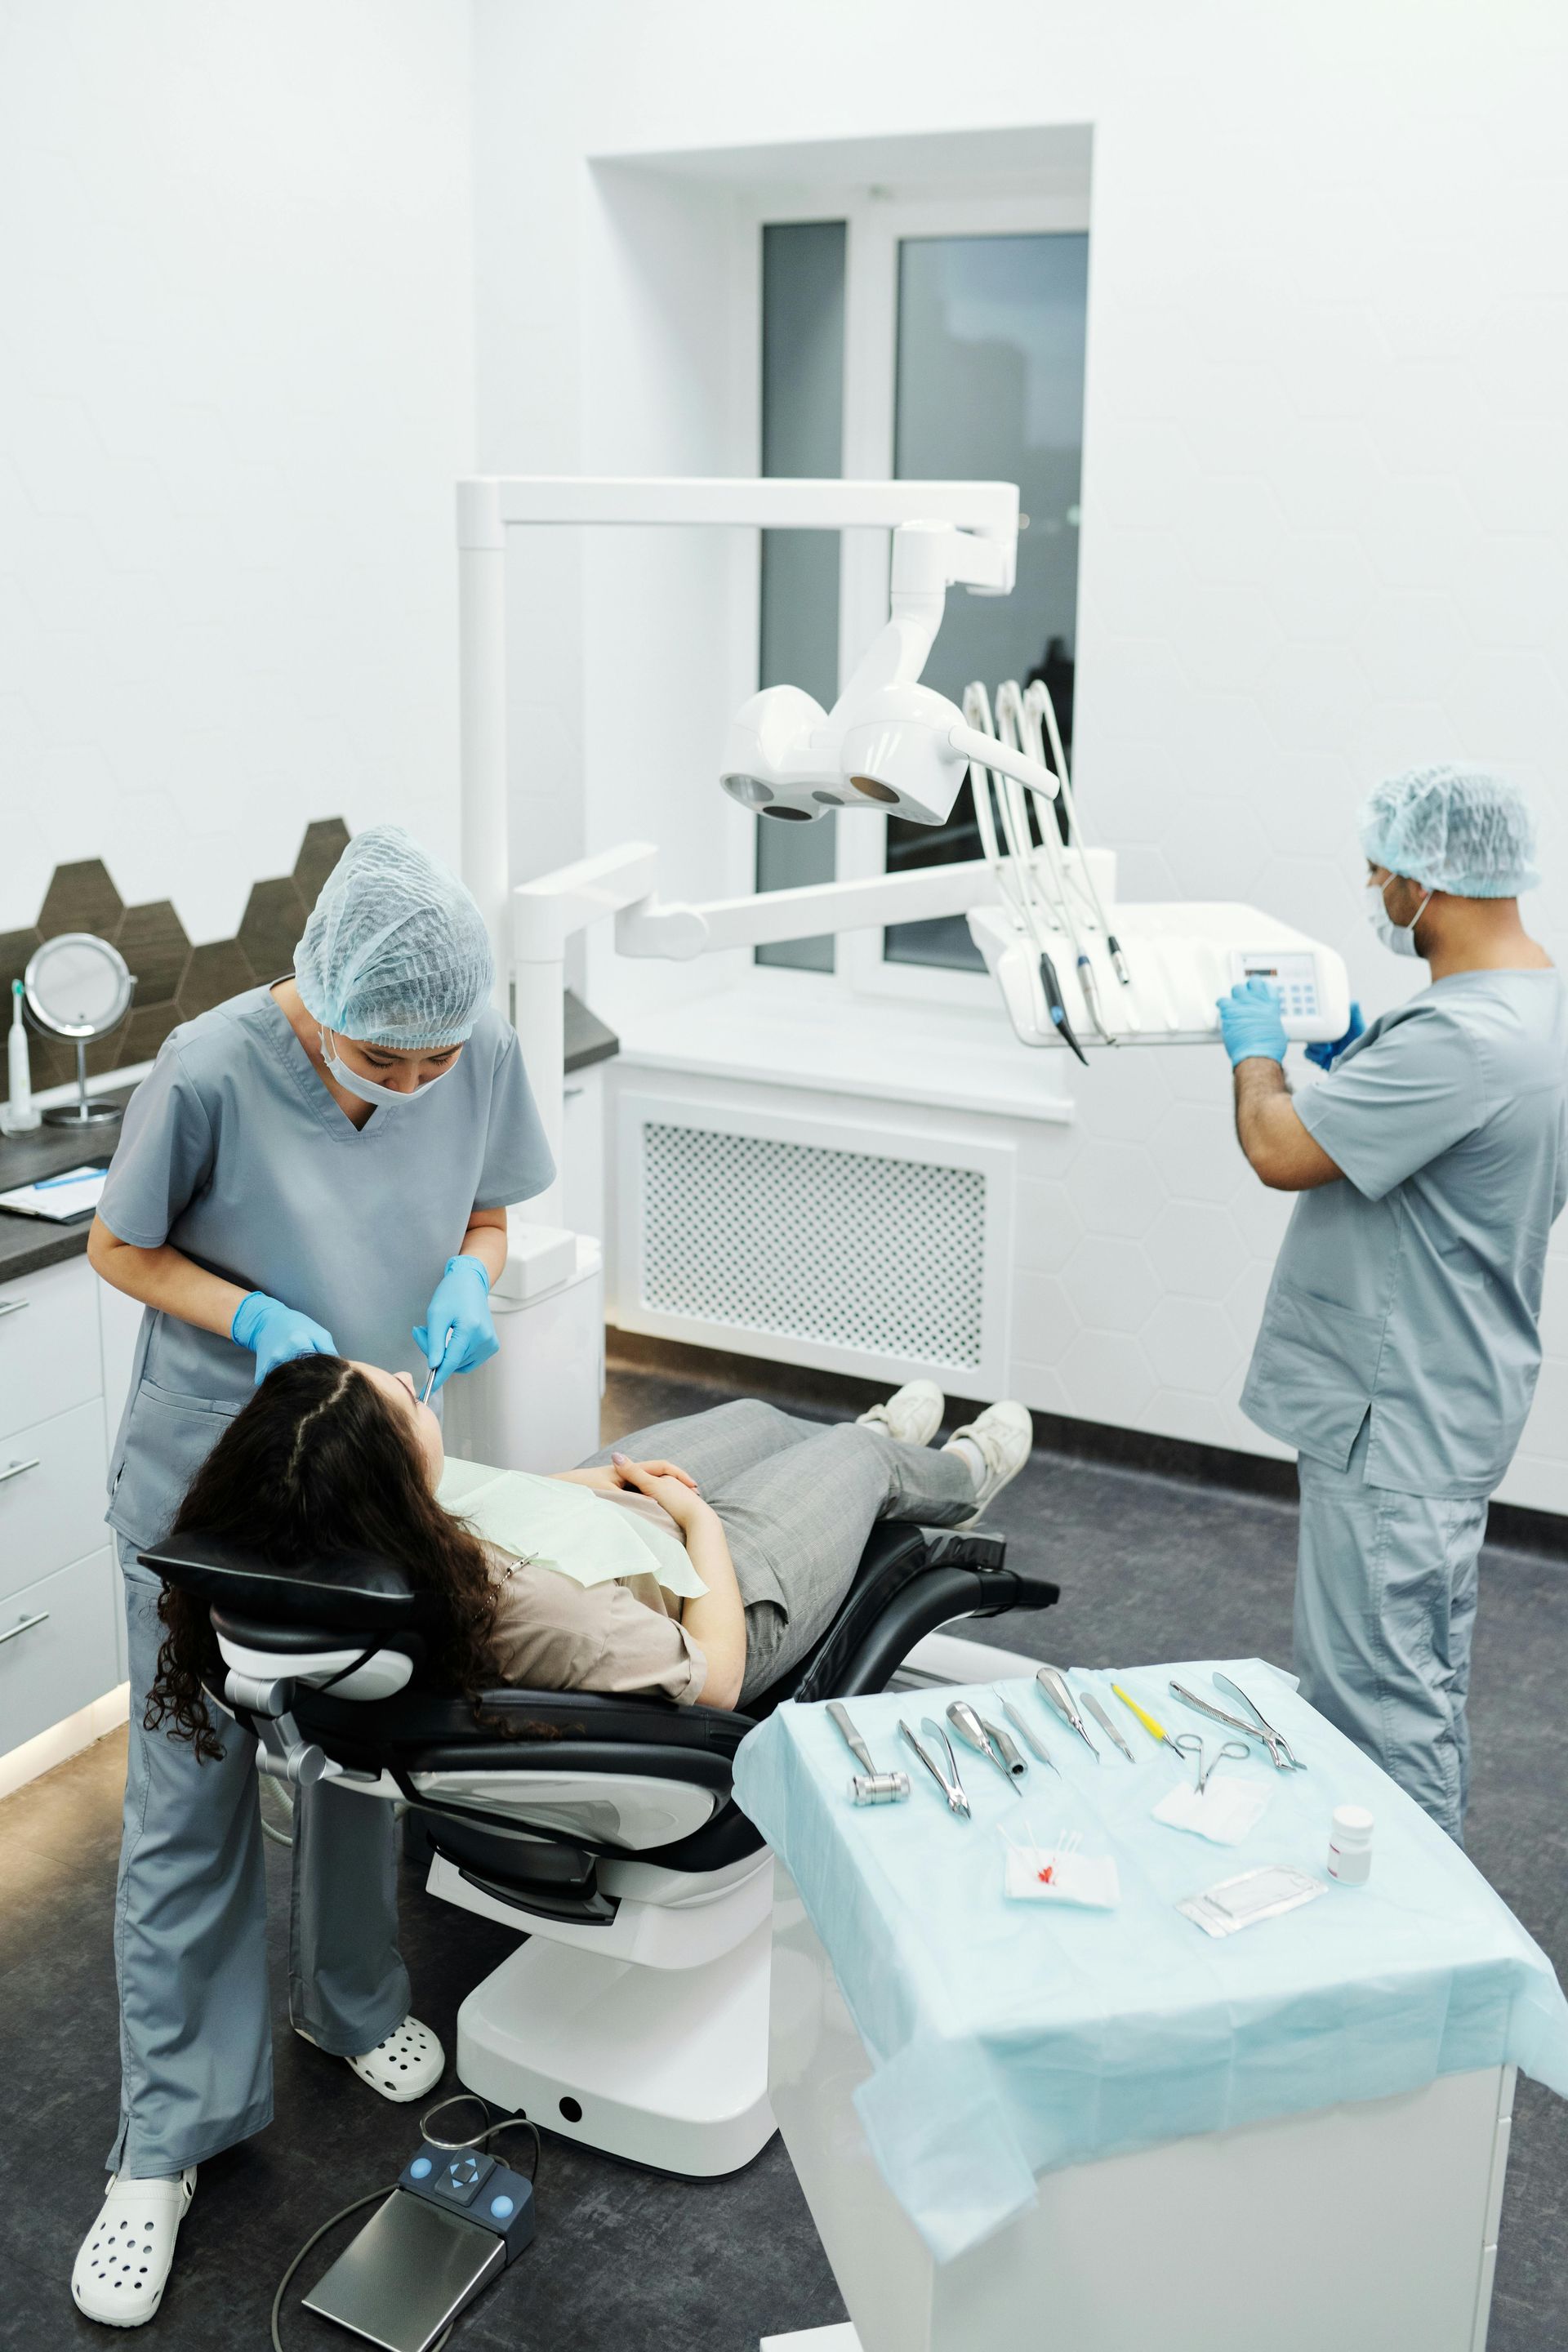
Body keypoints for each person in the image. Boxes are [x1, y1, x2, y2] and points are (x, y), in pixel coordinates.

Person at [73, 826, 553, 2328]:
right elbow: (120, 1248)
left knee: (361, 1759)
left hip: (376, 1467)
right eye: (378, 1060)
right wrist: (260, 1322)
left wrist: (475, 1265)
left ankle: (350, 2002)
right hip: (219, 1481)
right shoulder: (213, 1070)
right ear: (316, 994)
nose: (410, 1086)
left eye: (433, 1063)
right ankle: (166, 2139)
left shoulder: (469, 1044)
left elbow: (483, 1194)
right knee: (189, 1797)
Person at [1216, 765, 1566, 1843]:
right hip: (1454, 1395)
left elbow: (1279, 1149)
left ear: (1434, 881)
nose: (1373, 890)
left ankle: (1417, 1951)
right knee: (1418, 1664)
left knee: (1379, 1699)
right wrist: (1359, 1059)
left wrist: (1260, 1055)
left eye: (1382, 870)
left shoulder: (1462, 1041)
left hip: (1399, 1418)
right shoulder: (1537, 1006)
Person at [144, 1361, 1035, 1731]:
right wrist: (701, 1526)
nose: (420, 1386)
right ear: (391, 1475)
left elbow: (477, 1505)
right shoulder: (546, 1617)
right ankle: (947, 1472)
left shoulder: (329, 1517)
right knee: (850, 1461)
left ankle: (873, 1445)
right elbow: (717, 1681)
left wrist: (583, 1491)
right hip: (712, 1599)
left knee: (758, 1418)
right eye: (409, 1401)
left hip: (599, 1537)